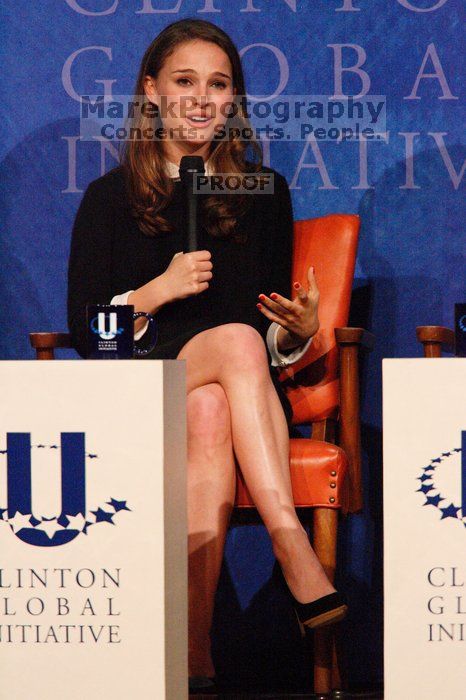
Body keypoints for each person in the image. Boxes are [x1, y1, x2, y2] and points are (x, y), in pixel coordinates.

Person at [67, 18, 347, 692]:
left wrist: (299, 329)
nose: (200, 98)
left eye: (217, 85)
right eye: (184, 81)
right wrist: (154, 292)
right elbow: (86, 333)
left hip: (231, 392)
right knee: (229, 352)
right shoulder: (110, 199)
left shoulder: (263, 193)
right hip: (139, 390)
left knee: (215, 406)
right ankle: (290, 542)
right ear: (152, 92)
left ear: (233, 101)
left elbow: (265, 332)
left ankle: (193, 656)